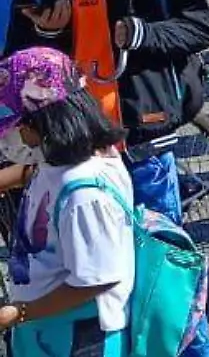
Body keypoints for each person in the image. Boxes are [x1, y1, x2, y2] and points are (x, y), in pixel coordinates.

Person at [14, 0, 209, 357]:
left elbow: (199, 26)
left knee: (159, 273)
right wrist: (44, 34)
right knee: (93, 276)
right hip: (73, 151)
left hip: (142, 134)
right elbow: (18, 63)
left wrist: (139, 33)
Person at [0, 49, 143, 357]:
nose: (13, 137)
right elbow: (34, 173)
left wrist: (17, 313)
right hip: (44, 330)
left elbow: (95, 279)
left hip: (80, 338)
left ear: (45, 122)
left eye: (18, 127)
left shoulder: (85, 194)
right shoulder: (62, 160)